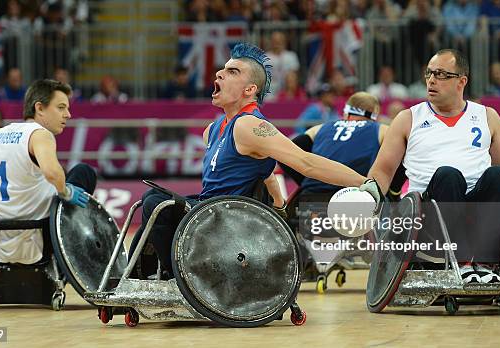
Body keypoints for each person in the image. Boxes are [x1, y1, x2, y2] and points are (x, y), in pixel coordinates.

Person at [129, 43, 380, 279]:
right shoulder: (213, 129)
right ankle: (143, 275)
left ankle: (178, 279)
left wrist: (363, 181)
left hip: (225, 218)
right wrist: (280, 206)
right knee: (153, 199)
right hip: (207, 210)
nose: (219, 74)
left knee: (155, 201)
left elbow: (306, 162)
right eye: (222, 69)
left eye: (232, 71)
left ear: (250, 90)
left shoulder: (250, 125)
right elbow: (267, 173)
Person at [366, 49, 500, 284]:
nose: (431, 80)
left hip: (478, 211)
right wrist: (368, 196)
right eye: (429, 73)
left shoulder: (487, 116)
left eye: (441, 74)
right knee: (449, 175)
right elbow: (383, 170)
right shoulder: (408, 118)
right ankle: (463, 262)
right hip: (428, 214)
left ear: (461, 81)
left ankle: (485, 264)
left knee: (497, 175)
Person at [0, 79, 96, 265]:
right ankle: (76, 245)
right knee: (83, 172)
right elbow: (52, 172)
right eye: (61, 107)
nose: (68, 114)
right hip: (36, 236)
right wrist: (67, 192)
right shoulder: (41, 134)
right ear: (39, 108)